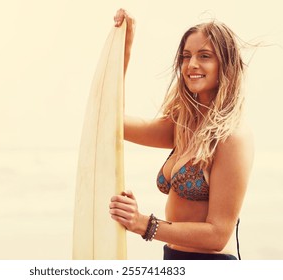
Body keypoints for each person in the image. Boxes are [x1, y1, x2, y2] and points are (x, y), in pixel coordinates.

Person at [109, 9, 254, 260]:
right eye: (186, 56)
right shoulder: (184, 126)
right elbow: (113, 124)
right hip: (173, 260)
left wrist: (143, 223)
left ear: (225, 64)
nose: (192, 64)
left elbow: (218, 235)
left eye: (205, 56)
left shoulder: (232, 137)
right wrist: (125, 47)